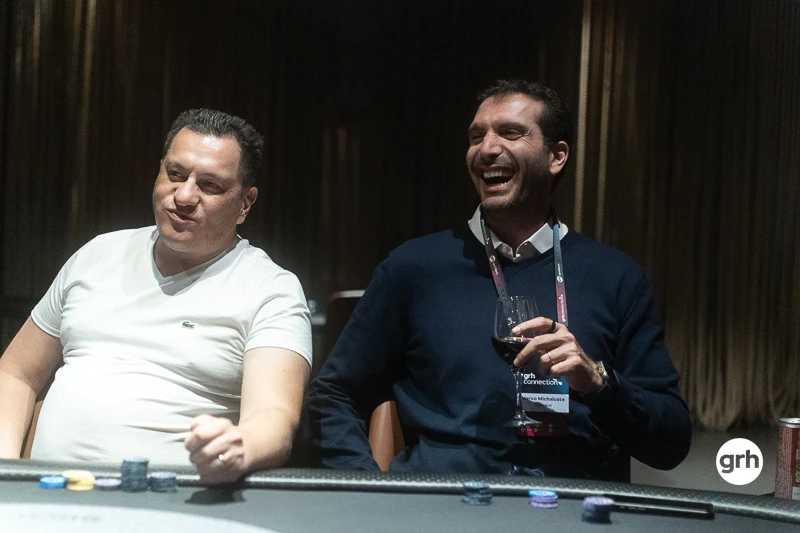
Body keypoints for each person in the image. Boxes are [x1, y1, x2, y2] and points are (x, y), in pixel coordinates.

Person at [306, 80, 691, 479]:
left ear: (556, 156)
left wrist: (598, 383)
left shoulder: (617, 278)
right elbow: (332, 394)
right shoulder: (413, 268)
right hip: (444, 501)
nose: (487, 149)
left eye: (510, 133)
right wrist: (368, 488)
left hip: (572, 503)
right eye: (477, 136)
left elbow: (671, 442)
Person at [0, 109, 312, 483]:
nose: (184, 195)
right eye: (175, 174)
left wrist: (240, 446)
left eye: (210, 185)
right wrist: (6, 469)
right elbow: (16, 373)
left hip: (174, 502)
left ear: (245, 203)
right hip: (48, 494)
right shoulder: (97, 254)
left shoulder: (271, 289)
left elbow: (276, 417)